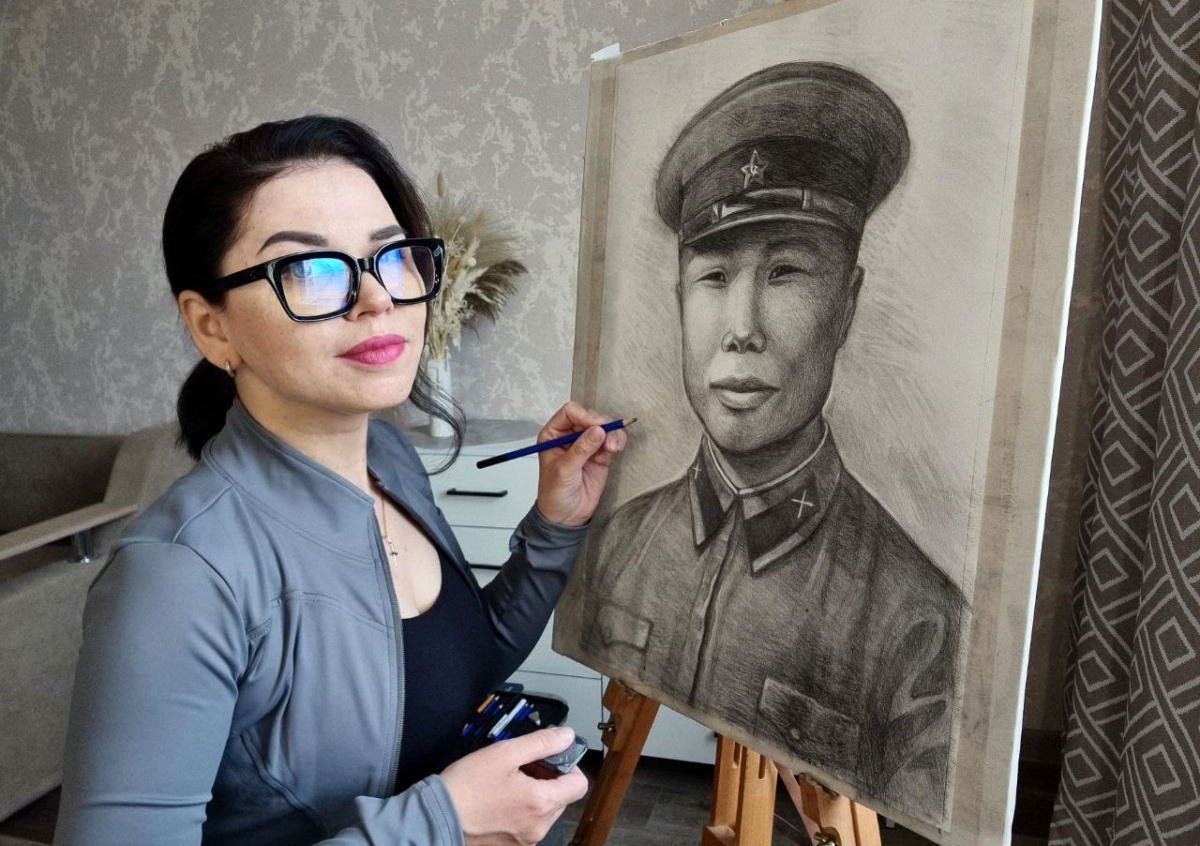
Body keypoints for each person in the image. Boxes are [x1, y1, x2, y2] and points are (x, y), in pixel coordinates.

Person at [53, 115, 627, 846]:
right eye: (311, 271)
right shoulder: (178, 577)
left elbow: (455, 666)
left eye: (392, 257)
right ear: (211, 326)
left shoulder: (390, 459)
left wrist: (555, 525)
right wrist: (439, 824)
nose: (377, 298)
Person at [577, 63, 968, 822]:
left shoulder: (917, 624)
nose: (742, 329)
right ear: (679, 299)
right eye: (714, 276)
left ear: (846, 305)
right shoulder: (620, 545)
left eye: (785, 272)